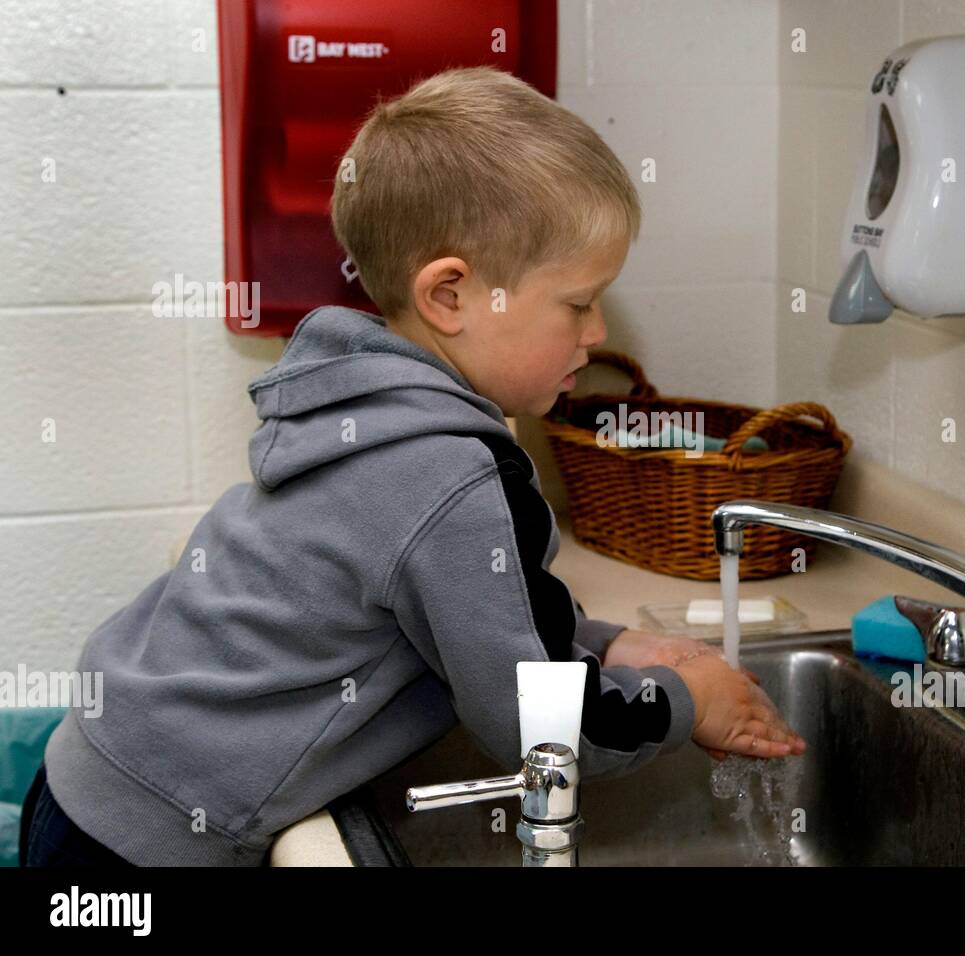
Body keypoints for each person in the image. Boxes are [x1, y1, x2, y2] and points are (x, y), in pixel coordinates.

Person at [25, 65, 804, 867]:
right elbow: (537, 732)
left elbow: (460, 613)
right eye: (577, 302)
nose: (596, 331)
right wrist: (686, 703)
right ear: (451, 296)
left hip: (91, 780)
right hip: (146, 847)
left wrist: (602, 646)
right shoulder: (453, 475)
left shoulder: (370, 409)